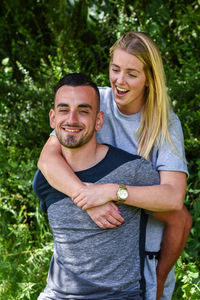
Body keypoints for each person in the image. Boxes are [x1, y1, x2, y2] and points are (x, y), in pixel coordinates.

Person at [37, 32, 192, 300]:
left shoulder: (164, 123)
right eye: (115, 69)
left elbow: (174, 198)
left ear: (148, 80)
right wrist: (88, 198)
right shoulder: (94, 103)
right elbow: (48, 159)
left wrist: (111, 191)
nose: (120, 81)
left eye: (131, 74)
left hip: (144, 259)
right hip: (87, 255)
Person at [33, 73, 165, 299]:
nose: (72, 119)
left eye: (83, 111)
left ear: (99, 120)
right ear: (53, 119)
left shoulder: (132, 171)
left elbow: (177, 216)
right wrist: (87, 200)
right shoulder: (45, 178)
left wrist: (159, 282)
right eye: (64, 110)